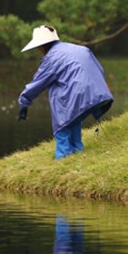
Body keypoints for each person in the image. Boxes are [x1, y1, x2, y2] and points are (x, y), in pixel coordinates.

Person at [18, 25, 113, 160]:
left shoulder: (51, 58)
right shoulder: (80, 49)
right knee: (73, 118)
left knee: (63, 124)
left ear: (42, 45)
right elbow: (98, 69)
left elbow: (39, 82)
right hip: (98, 93)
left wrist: (24, 101)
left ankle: (62, 157)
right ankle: (77, 153)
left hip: (76, 95)